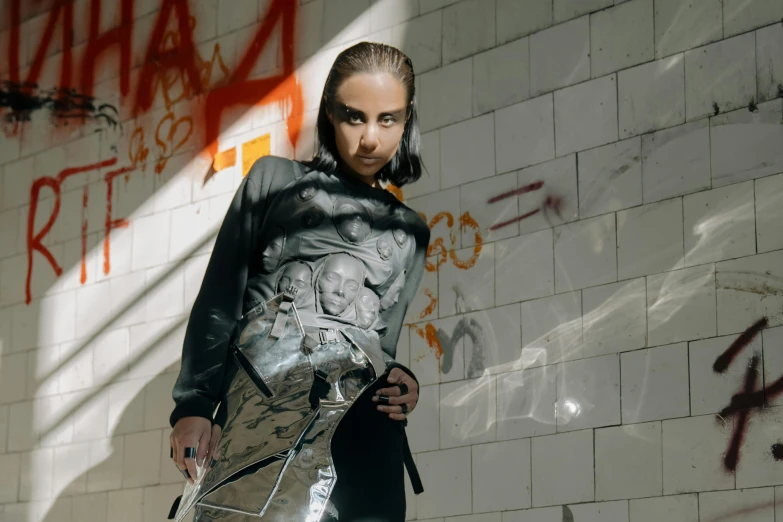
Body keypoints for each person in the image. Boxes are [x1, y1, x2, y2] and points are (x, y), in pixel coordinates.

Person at [168, 41, 430, 521]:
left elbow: (381, 342)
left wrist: (402, 379)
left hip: (365, 434)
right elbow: (219, 298)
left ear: (407, 118)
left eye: (388, 119)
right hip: (266, 419)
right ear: (330, 111)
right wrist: (195, 405)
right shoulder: (274, 179)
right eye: (354, 116)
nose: (369, 138)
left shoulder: (410, 229)